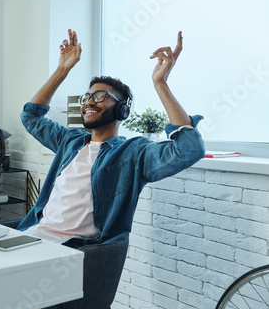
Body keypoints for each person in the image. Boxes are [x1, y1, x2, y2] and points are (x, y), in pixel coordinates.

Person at [17, 29, 205, 248]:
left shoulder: (132, 153)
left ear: (122, 110)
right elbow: (30, 116)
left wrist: (160, 83)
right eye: (85, 97)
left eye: (99, 97)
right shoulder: (70, 141)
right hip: (33, 234)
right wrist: (62, 70)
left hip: (69, 250)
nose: (88, 102)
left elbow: (189, 149)